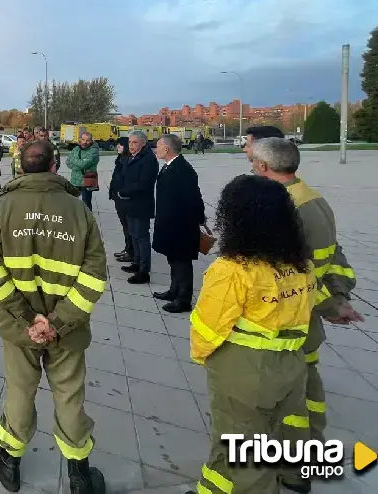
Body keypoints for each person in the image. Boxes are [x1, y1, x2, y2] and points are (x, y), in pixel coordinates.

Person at [0, 141, 108, 494]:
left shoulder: (1, 208)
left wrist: (28, 320)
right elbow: (95, 275)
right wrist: (57, 322)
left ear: (20, 167)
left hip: (19, 330)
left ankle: (10, 460)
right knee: (69, 395)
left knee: (20, 390)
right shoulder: (79, 210)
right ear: (56, 167)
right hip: (67, 331)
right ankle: (80, 476)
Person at [188, 175, 315, 494]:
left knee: (247, 456)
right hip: (291, 366)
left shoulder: (232, 270)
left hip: (245, 372)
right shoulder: (301, 264)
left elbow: (207, 327)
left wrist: (203, 358)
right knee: (257, 437)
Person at [250, 137, 363, 493]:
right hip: (309, 321)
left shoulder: (285, 210)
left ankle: (295, 470)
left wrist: (331, 304)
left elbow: (291, 277)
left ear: (265, 167)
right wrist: (338, 298)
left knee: (290, 399)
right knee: (309, 390)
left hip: (289, 322)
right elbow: (335, 259)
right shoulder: (315, 200)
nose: (252, 167)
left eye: (254, 162)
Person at [151, 134, 205, 314]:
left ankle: (183, 299)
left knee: (182, 262)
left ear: (166, 149)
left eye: (158, 146)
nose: (156, 149)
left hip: (180, 226)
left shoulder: (182, 169)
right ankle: (174, 290)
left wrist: (195, 220)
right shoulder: (170, 166)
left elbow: (193, 199)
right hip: (170, 223)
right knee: (173, 260)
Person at [115, 131, 157, 284]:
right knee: (133, 234)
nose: (131, 146)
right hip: (129, 203)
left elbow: (144, 184)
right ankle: (136, 263)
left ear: (143, 143)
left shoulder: (148, 159)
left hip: (140, 204)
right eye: (130, 142)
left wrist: (124, 191)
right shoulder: (132, 156)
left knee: (142, 237)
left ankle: (144, 271)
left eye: (135, 143)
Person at [108, 142, 133, 263]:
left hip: (124, 197)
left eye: (120, 145)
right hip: (118, 196)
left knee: (129, 226)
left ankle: (131, 252)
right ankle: (128, 248)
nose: (117, 147)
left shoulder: (127, 160)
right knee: (125, 226)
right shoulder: (121, 158)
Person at [66, 132, 100, 210]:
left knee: (86, 204)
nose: (85, 142)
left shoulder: (94, 151)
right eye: (83, 139)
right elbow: (68, 162)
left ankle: (88, 220)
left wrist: (74, 161)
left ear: (91, 141)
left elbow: (83, 164)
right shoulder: (76, 149)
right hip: (74, 181)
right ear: (80, 139)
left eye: (87, 140)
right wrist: (79, 163)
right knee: (73, 203)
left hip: (87, 181)